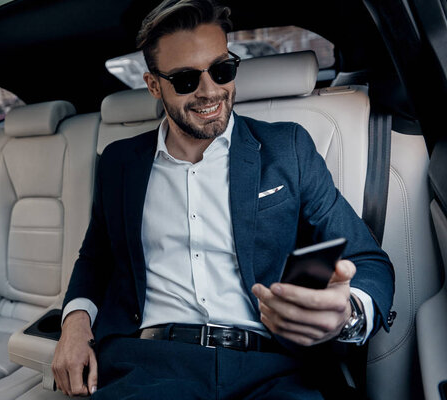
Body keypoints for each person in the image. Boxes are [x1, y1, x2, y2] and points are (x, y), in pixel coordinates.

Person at [52, 0, 395, 398]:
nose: (210, 91)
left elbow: (369, 261)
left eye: (222, 69)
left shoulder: (288, 148)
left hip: (273, 368)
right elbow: (96, 258)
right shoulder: (119, 163)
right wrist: (74, 322)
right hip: (150, 365)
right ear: (153, 85)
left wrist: (346, 316)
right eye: (185, 79)